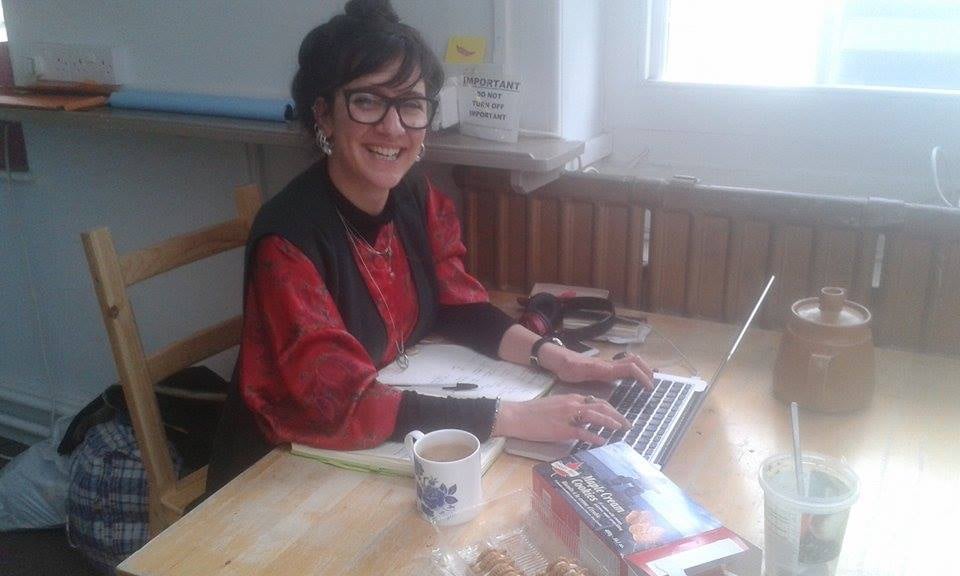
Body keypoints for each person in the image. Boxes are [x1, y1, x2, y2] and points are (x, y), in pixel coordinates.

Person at [207, 0, 652, 491]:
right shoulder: (288, 242)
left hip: (375, 453)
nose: (393, 127)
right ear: (324, 115)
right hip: (276, 475)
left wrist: (561, 358)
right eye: (367, 101)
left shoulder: (418, 201)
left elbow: (459, 309)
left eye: (411, 104)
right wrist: (517, 417)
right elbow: (340, 402)